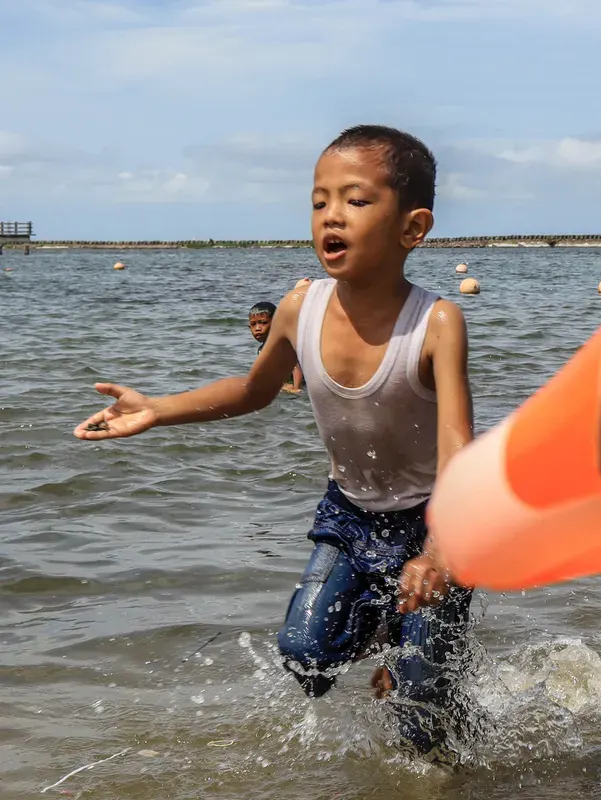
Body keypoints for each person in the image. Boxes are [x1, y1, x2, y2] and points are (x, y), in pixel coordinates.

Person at [74, 124, 477, 758]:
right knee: (305, 654)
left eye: (355, 200)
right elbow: (251, 390)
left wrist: (438, 551)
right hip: (350, 514)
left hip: (436, 519)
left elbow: (458, 448)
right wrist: (157, 409)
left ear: (413, 227)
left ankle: (453, 750)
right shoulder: (299, 309)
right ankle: (388, 639)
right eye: (319, 201)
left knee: (426, 705)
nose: (331, 216)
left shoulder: (435, 322)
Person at [248, 301, 304, 393]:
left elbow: (295, 367)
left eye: (263, 323)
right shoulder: (261, 350)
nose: (257, 328)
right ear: (249, 327)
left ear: (276, 324)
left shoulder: (283, 345)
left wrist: (296, 388)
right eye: (253, 324)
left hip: (297, 384)